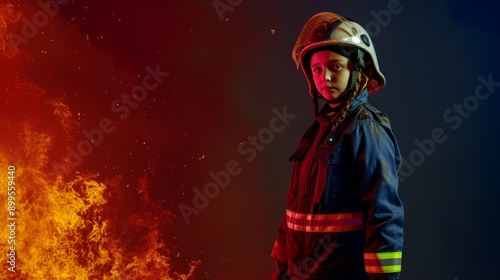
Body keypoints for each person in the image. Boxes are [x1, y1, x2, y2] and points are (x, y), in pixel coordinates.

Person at [271, 12, 404, 280]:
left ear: (357, 69)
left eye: (335, 66)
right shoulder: (314, 134)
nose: (325, 77)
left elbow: (383, 216)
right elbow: (293, 213)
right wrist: (282, 270)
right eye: (317, 69)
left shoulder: (367, 128)